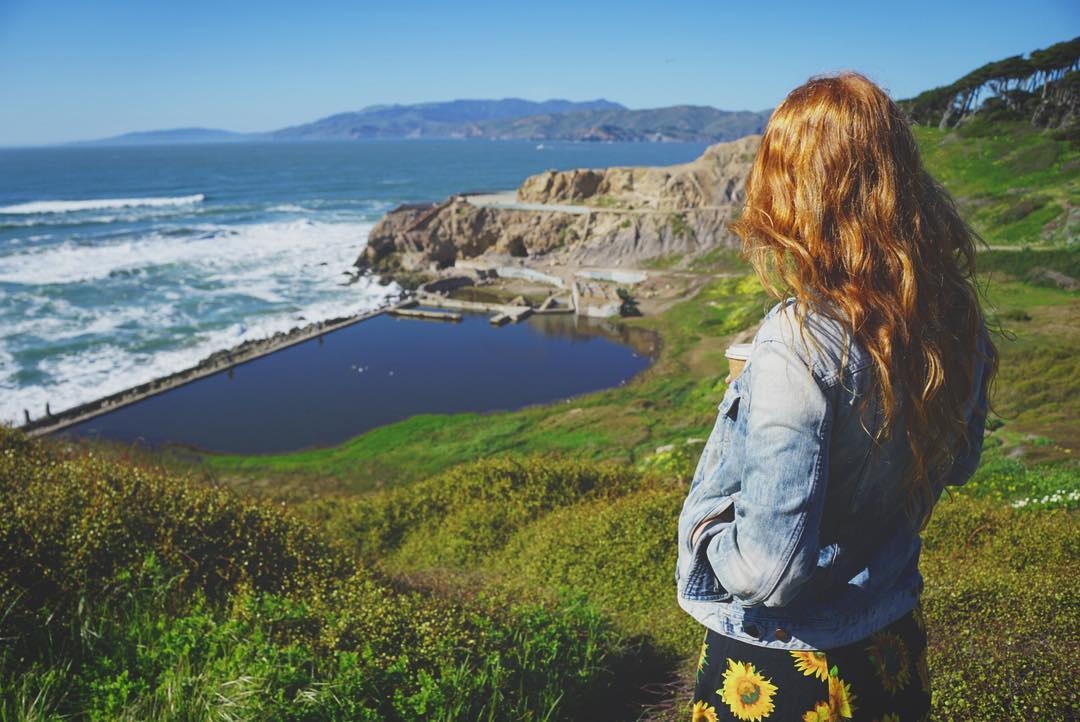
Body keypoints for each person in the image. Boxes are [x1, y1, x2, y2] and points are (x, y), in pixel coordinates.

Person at [675, 71, 998, 722]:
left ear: (796, 191)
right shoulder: (954, 321)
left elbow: (770, 572)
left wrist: (706, 537)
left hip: (782, 670)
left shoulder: (797, 343)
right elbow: (958, 465)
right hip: (889, 643)